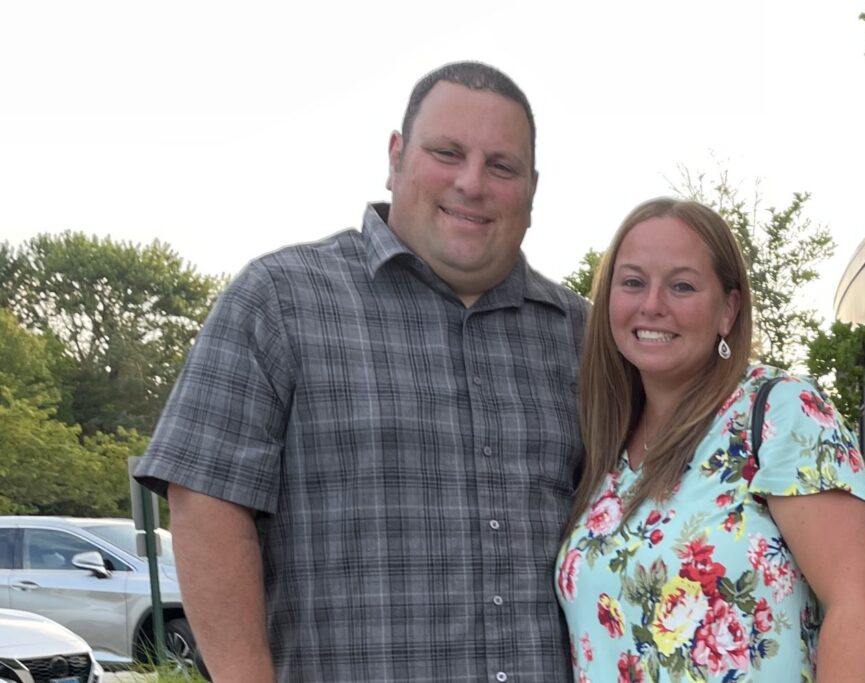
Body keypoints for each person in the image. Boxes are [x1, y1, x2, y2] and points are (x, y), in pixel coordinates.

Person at [134, 61, 588, 682]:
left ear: (532, 188)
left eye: (501, 166)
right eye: (447, 153)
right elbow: (205, 500)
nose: (472, 182)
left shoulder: (583, 337)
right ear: (397, 157)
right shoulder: (281, 300)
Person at [556, 198, 865, 681]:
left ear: (728, 309)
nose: (652, 304)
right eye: (632, 282)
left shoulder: (779, 411)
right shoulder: (604, 443)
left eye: (682, 286)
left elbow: (858, 600)